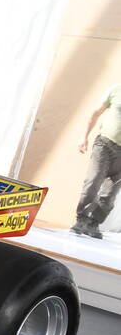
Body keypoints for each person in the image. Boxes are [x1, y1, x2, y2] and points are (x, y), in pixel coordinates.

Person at [72, 86, 121, 238]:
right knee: (93, 182)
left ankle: (94, 223)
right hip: (105, 144)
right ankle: (81, 219)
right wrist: (83, 137)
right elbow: (95, 113)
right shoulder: (116, 90)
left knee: (110, 192)